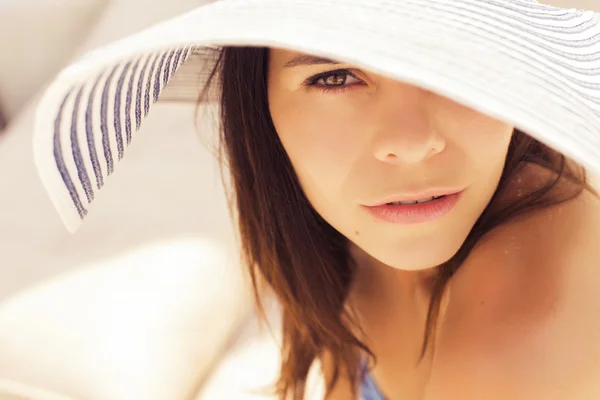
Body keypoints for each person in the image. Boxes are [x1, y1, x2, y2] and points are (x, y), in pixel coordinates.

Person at [32, 0, 600, 399]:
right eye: (334, 78)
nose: (410, 140)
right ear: (262, 110)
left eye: (455, 68)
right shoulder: (339, 230)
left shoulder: (530, 315)